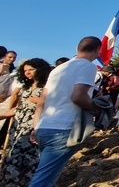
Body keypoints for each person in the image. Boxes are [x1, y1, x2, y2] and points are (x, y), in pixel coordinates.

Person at [29, 36, 101, 187]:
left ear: (77, 48)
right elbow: (78, 96)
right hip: (63, 128)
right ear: (97, 50)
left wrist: (36, 127)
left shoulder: (58, 69)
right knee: (43, 179)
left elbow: (42, 100)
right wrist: (95, 107)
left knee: (46, 174)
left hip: (44, 126)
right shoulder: (87, 66)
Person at [0, 58, 51, 186]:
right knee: (13, 156)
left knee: (28, 159)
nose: (27, 73)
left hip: (33, 127)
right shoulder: (26, 87)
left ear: (40, 70)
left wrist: (39, 101)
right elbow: (20, 107)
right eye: (25, 70)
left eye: (31, 70)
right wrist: (3, 116)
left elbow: (55, 106)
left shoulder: (48, 87)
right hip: (18, 127)